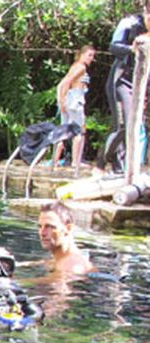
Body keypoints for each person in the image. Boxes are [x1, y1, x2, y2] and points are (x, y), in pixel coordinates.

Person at [97, 2, 150, 174]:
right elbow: (114, 46)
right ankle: (104, 163)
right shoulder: (129, 23)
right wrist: (132, 49)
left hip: (141, 83)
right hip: (121, 80)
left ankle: (126, 169)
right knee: (124, 124)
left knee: (137, 125)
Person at [52, 45, 96, 172]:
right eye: (89, 55)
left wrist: (62, 101)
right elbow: (65, 83)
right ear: (81, 55)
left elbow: (64, 84)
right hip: (75, 101)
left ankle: (55, 161)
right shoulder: (81, 67)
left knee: (63, 130)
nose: (91, 58)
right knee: (80, 131)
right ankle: (76, 162)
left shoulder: (74, 66)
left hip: (68, 100)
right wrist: (61, 100)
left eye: (93, 56)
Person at [37, 201, 95, 276]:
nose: (42, 233)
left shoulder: (74, 267)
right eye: (40, 226)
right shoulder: (61, 259)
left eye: (49, 227)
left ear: (68, 228)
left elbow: (58, 283)